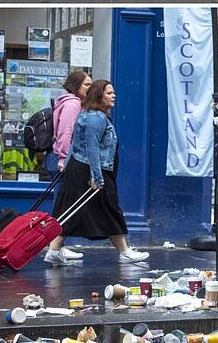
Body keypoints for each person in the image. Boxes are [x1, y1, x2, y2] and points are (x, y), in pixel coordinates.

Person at [45, 80, 149, 265]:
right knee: (109, 208)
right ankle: (124, 251)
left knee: (73, 211)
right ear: (98, 96)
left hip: (81, 169)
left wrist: (67, 165)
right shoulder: (96, 119)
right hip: (92, 170)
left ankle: (54, 250)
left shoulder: (89, 115)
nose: (113, 96)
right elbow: (92, 148)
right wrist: (97, 177)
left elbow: (75, 144)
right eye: (109, 93)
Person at [43, 70, 91, 264]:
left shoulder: (65, 101)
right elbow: (66, 133)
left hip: (57, 157)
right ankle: (55, 248)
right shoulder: (73, 104)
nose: (90, 88)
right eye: (86, 85)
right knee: (62, 204)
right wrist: (63, 158)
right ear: (76, 86)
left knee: (62, 203)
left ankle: (57, 247)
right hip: (62, 159)